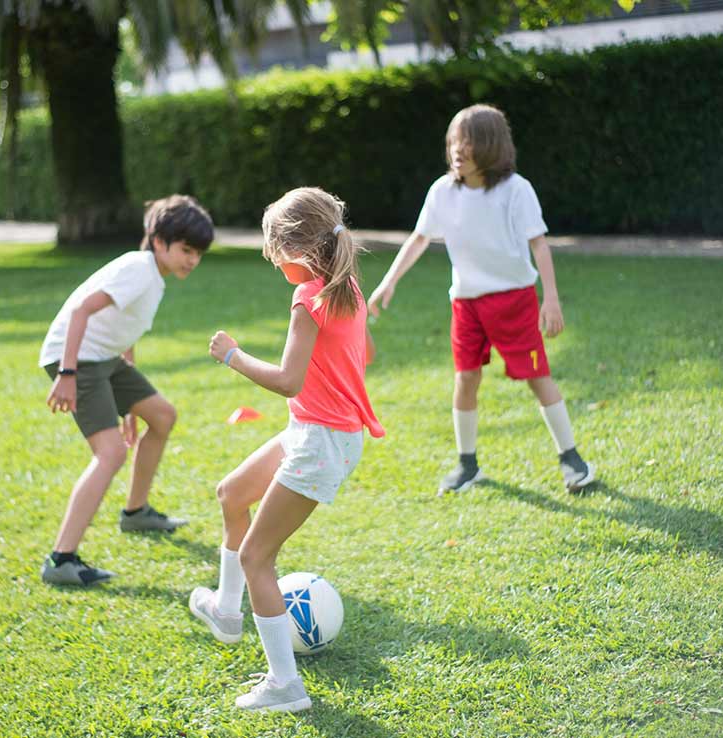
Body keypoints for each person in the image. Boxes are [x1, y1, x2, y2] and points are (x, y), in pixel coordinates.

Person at [189, 187, 384, 712]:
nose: (276, 267)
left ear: (297, 252)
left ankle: (285, 686)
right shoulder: (347, 287)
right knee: (232, 493)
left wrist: (232, 355)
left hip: (320, 441)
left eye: (276, 257)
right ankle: (228, 613)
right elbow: (359, 351)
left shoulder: (308, 298)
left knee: (257, 556)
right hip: (318, 433)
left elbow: (288, 380)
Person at [368, 104, 595, 495]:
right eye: (454, 140)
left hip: (515, 301)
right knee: (466, 377)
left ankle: (572, 460)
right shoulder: (442, 191)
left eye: (468, 141)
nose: (458, 149)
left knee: (537, 378)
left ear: (490, 146)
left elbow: (539, 245)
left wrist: (551, 299)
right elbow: (420, 237)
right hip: (467, 304)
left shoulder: (516, 190)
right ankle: (467, 465)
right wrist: (388, 282)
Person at [38, 194, 214, 585]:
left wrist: (131, 408)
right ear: (158, 241)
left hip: (104, 357)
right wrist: (66, 374)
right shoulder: (139, 269)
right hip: (78, 357)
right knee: (111, 453)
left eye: (198, 253)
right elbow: (82, 310)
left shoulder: (154, 277)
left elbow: (125, 334)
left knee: (162, 415)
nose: (192, 260)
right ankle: (61, 559)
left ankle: (136, 513)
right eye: (186, 250)